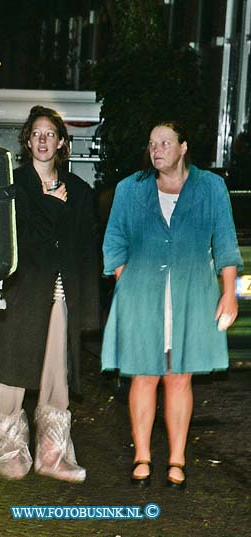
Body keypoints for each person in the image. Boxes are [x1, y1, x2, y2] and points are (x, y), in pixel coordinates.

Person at [101, 121, 242, 489]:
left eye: (165, 142)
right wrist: (126, 281)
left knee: (179, 377)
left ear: (183, 147)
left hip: (192, 293)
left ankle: (177, 460)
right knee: (144, 375)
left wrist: (229, 292)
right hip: (141, 294)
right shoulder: (130, 189)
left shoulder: (211, 187)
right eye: (151, 143)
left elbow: (226, 243)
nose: (156, 149)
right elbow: (114, 240)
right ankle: (143, 457)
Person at [0, 105, 99, 483]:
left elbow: (84, 248)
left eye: (50, 134)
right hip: (22, 292)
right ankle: (12, 449)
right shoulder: (13, 187)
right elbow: (19, 238)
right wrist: (49, 204)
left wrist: (89, 305)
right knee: (12, 368)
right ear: (27, 141)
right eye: (36, 134)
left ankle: (53, 452)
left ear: (62, 142)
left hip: (62, 293)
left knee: (56, 370)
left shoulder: (79, 191)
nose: (43, 140)